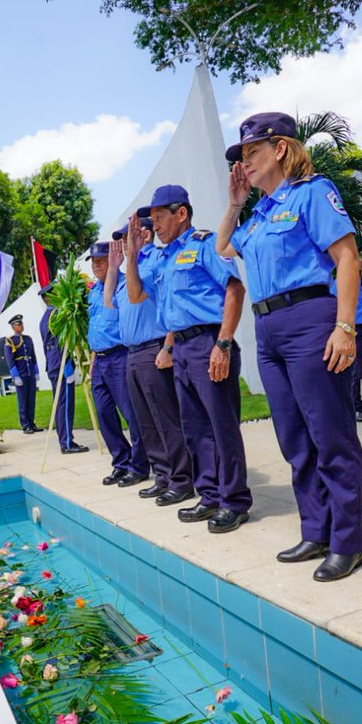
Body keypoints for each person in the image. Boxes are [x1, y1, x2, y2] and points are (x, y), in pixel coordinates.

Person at [218, 111, 362, 581]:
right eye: (240, 157)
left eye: (251, 153)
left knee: (330, 435)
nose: (244, 164)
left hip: (309, 319)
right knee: (294, 439)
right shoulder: (259, 214)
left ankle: (347, 542)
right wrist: (236, 202)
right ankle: (315, 529)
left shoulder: (311, 194)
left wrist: (345, 327)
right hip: (269, 330)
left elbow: (347, 258)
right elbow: (225, 246)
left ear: (280, 148)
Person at [124, 184, 253, 534]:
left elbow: (234, 289)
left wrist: (223, 343)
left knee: (221, 426)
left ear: (181, 213)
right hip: (180, 348)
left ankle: (234, 500)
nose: (156, 225)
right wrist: (132, 256)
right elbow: (135, 295)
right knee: (196, 429)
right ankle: (210, 494)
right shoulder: (163, 257)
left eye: (161, 217)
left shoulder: (205, 243)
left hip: (209, 341)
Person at [108, 219, 194, 505]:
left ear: (144, 233)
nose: (122, 242)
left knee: (165, 418)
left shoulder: (156, 259)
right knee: (145, 422)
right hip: (131, 353)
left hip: (153, 347)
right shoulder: (126, 272)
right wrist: (114, 265)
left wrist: (168, 346)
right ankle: (163, 476)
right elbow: (111, 302)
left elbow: (169, 303)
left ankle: (182, 479)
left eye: (126, 236)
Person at [87, 241, 149, 488]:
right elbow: (95, 327)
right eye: (93, 262)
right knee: (104, 414)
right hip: (99, 361)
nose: (96, 266)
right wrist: (92, 361)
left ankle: (139, 465)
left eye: (101, 261)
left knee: (131, 414)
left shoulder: (124, 284)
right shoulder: (92, 291)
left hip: (119, 356)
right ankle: (120, 462)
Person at [39, 283, 89, 455]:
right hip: (60, 363)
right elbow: (61, 341)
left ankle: (66, 440)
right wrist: (67, 365)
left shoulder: (45, 317)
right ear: (50, 298)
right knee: (65, 404)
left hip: (53, 363)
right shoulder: (56, 315)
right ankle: (67, 442)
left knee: (61, 403)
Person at [331, 281, 362, 423]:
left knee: (360, 372)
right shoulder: (340, 283)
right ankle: (354, 409)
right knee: (354, 372)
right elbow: (334, 307)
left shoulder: (359, 285)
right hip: (353, 330)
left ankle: (358, 404)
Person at [5, 314, 42, 434]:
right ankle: (25, 425)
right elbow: (10, 361)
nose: (21, 326)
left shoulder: (28, 339)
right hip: (20, 373)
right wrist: (15, 376)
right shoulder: (10, 341)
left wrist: (36, 371)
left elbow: (33, 356)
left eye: (21, 323)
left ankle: (31, 422)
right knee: (22, 400)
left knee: (31, 399)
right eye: (18, 324)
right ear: (13, 327)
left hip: (30, 372)